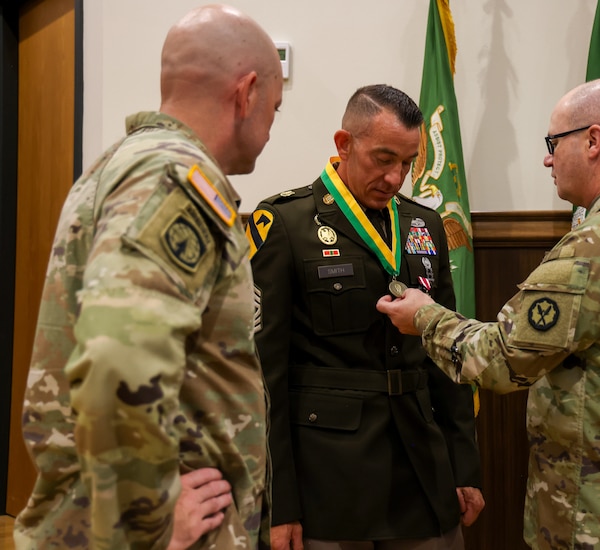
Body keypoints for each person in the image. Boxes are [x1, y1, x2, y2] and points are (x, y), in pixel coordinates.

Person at [377, 78, 600, 549]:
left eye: (553, 143)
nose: (547, 158)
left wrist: (424, 317)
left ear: (593, 140)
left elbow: (501, 360)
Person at [14, 5, 283, 549]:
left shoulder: (128, 164)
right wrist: (149, 521)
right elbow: (120, 354)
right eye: (275, 108)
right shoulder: (175, 179)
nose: (272, 125)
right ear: (247, 92)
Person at [246, 84, 484, 550]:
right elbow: (264, 378)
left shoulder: (423, 225)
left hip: (422, 469)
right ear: (344, 144)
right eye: (383, 158)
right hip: (329, 482)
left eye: (409, 163)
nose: (396, 177)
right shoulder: (286, 225)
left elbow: (446, 356)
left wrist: (464, 465)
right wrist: (279, 501)